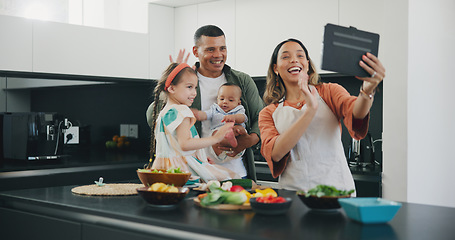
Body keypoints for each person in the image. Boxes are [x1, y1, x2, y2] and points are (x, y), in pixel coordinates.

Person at [258, 38, 385, 193]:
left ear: (307, 65)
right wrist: (310, 111)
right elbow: (275, 153)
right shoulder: (269, 113)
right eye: (285, 57)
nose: (294, 60)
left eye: (300, 56)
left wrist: (367, 91)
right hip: (295, 193)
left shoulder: (329, 91)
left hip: (336, 190)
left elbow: (356, 111)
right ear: (276, 68)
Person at [147, 25, 264, 179]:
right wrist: (173, 83)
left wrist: (250, 140)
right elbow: (152, 117)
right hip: (194, 171)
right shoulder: (186, 82)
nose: (218, 55)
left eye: (222, 48)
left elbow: (261, 117)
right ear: (196, 51)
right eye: (210, 49)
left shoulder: (242, 80)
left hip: (236, 171)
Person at [148, 62, 240, 182]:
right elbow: (185, 144)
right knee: (234, 178)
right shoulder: (182, 111)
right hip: (184, 173)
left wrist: (199, 158)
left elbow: (175, 147)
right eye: (189, 87)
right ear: (171, 88)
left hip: (164, 172)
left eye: (195, 88)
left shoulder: (164, 113)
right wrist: (216, 138)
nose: (194, 93)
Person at [192, 83, 248, 163]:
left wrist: (234, 118)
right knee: (215, 134)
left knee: (239, 129)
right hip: (219, 143)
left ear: (238, 102)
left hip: (238, 144)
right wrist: (198, 114)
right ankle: (228, 138)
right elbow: (206, 115)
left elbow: (243, 118)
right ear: (217, 99)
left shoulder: (238, 109)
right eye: (222, 99)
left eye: (231, 100)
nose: (225, 102)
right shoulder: (215, 109)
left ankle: (231, 137)